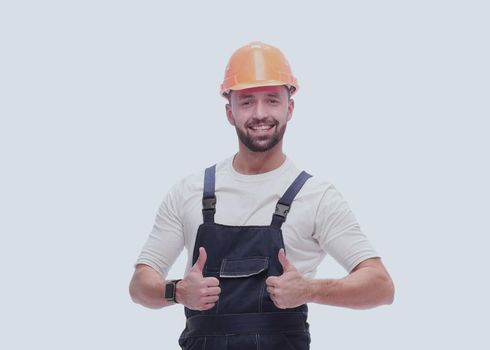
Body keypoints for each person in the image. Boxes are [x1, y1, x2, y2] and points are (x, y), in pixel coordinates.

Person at [129, 41, 394, 350]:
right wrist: (176, 291)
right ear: (230, 112)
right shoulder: (190, 191)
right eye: (246, 102)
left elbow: (381, 286)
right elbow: (139, 286)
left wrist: (309, 289)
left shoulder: (317, 197)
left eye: (271, 100)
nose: (260, 113)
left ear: (289, 107)